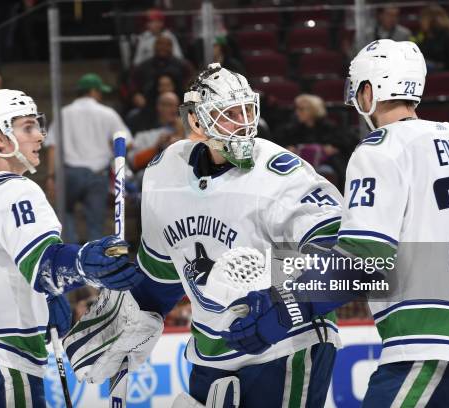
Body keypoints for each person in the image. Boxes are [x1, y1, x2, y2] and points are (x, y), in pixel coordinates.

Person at [222, 39, 449, 406]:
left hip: (430, 344)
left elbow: (366, 259)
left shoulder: (379, 149)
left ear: (369, 90)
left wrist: (286, 304)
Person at [128, 63, 343, 407]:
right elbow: (161, 277)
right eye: (228, 114)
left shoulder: (282, 174)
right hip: (210, 353)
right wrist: (126, 321)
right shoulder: (164, 173)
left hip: (285, 344)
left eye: (246, 111)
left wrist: (286, 306)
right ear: (197, 121)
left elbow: (345, 259)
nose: (242, 124)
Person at [0, 89, 141, 406]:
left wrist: (43, 301)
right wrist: (85, 263)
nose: (41, 135)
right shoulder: (16, 190)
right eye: (28, 127)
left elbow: (1, 255)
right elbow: (45, 266)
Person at [45, 73, 131, 243]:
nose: (101, 95)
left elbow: (52, 146)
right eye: (99, 92)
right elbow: (126, 142)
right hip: (97, 175)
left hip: (70, 173)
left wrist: (50, 176)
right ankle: (93, 266)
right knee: (96, 225)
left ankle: (71, 255)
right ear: (93, 91)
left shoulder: (64, 113)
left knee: (64, 213)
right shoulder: (107, 113)